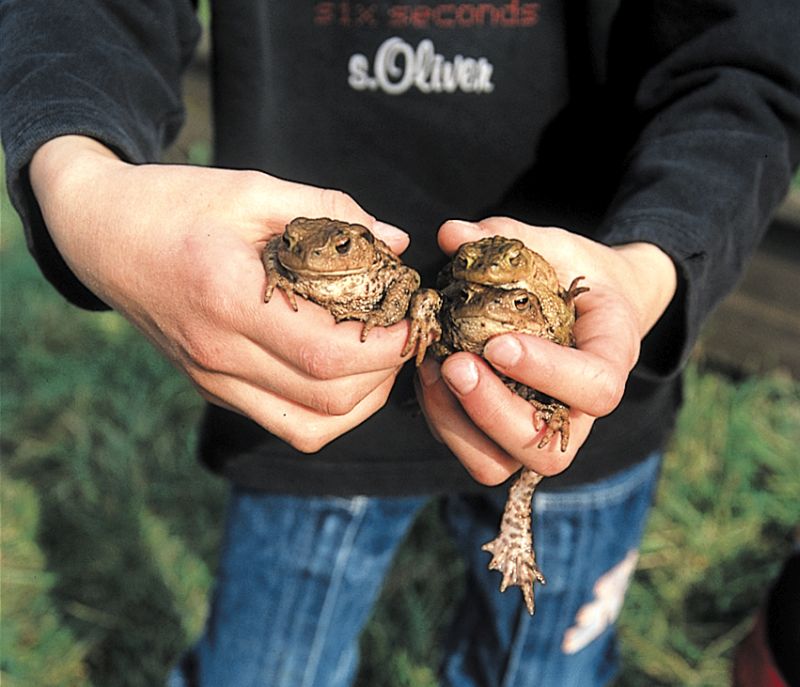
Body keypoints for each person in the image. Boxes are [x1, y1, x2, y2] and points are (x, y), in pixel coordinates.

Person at [2, 1, 798, 685]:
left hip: (582, 385)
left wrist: (652, 262)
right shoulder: (316, 277)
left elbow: (750, 56)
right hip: (300, 387)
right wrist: (81, 181)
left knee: (539, 666)